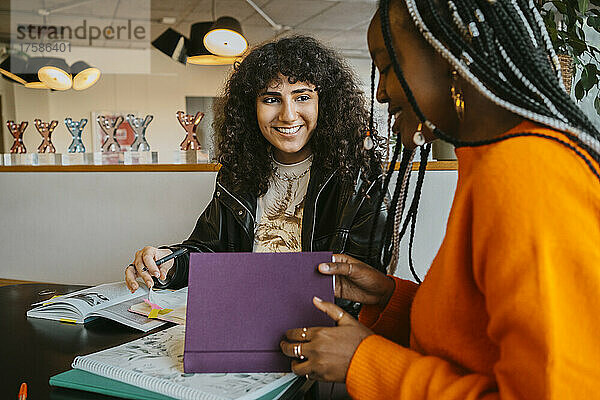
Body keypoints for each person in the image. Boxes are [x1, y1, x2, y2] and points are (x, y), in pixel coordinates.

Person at [280, 0, 600, 398]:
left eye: (387, 66)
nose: (380, 93)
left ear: (449, 57)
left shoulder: (525, 171)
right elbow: (476, 339)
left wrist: (365, 361)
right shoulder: (486, 160)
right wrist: (391, 298)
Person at [124, 36, 387, 316]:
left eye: (303, 97)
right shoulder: (237, 174)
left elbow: (368, 285)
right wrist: (169, 262)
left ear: (327, 102)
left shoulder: (357, 176)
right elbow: (209, 251)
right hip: (243, 316)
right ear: (251, 109)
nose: (288, 115)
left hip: (321, 327)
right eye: (272, 99)